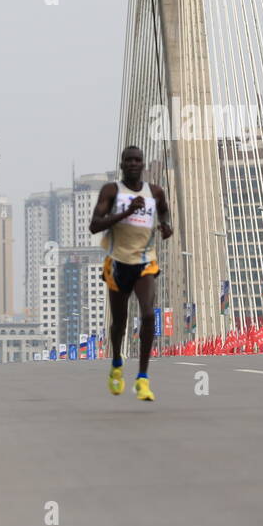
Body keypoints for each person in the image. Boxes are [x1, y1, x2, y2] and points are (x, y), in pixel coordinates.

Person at [89, 145, 172, 400]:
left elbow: (165, 212)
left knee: (148, 315)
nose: (134, 164)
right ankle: (116, 365)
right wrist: (127, 212)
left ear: (143, 164)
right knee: (119, 323)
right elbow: (94, 225)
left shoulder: (155, 192)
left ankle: (143, 378)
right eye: (129, 160)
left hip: (145, 262)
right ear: (122, 164)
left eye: (138, 160)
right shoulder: (112, 191)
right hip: (117, 263)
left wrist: (166, 226)